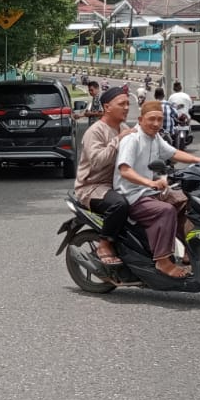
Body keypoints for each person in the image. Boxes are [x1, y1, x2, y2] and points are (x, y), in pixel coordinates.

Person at [115, 97, 200, 278]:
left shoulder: (155, 137)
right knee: (166, 211)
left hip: (150, 192)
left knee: (187, 202)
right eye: (151, 119)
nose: (156, 123)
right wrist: (150, 182)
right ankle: (162, 261)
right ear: (140, 120)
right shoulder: (132, 139)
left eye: (159, 119)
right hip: (132, 195)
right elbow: (125, 171)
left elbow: (174, 153)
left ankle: (189, 252)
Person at [72, 84, 134, 265]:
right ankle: (104, 244)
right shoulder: (95, 131)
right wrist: (119, 140)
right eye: (121, 104)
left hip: (118, 183)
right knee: (119, 205)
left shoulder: (123, 126)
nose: (126, 107)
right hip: (93, 187)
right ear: (107, 107)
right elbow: (98, 161)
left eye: (128, 104)